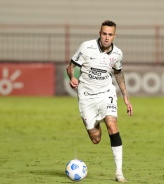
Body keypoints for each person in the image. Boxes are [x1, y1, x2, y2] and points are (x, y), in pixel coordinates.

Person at [66, 20, 133, 183]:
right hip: (86, 96)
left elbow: (118, 73)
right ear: (100, 33)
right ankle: (96, 121)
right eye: (104, 34)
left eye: (110, 34)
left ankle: (119, 172)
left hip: (106, 93)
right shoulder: (86, 47)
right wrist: (73, 77)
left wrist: (125, 95)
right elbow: (70, 66)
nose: (107, 37)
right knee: (96, 139)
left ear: (114, 36)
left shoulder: (117, 53)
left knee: (112, 125)